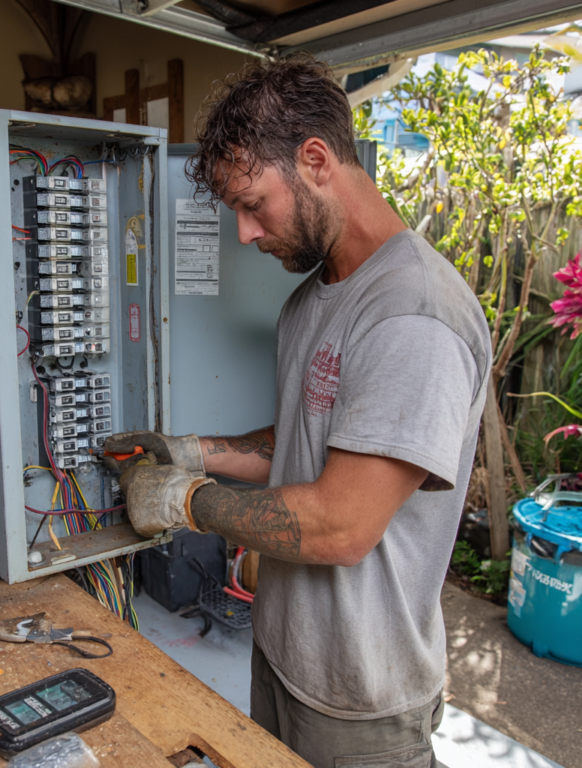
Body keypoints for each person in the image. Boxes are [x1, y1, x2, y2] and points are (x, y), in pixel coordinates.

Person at [104, 54, 491, 768]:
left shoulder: (414, 315)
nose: (246, 235)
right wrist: (193, 450)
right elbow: (307, 443)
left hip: (359, 699)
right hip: (282, 655)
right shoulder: (309, 302)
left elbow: (342, 523)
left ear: (315, 160)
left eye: (253, 205)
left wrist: (187, 499)